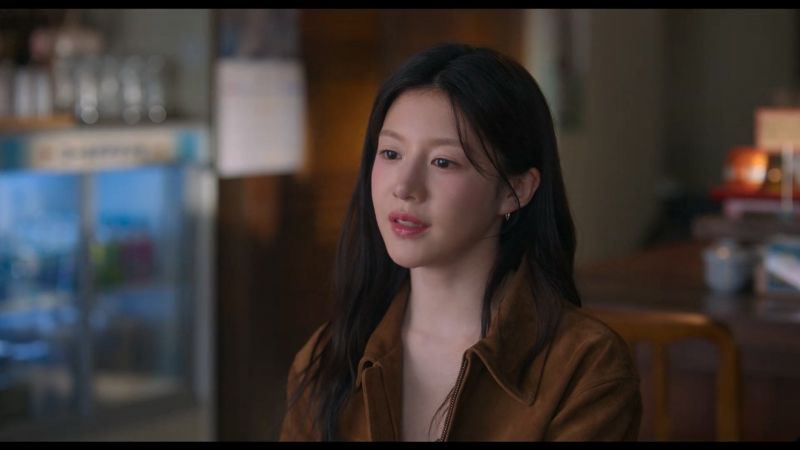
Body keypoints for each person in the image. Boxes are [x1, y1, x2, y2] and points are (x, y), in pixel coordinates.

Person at [280, 43, 641, 441]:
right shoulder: (326, 358)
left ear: (516, 190)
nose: (404, 186)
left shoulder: (585, 367)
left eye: (443, 162)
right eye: (391, 153)